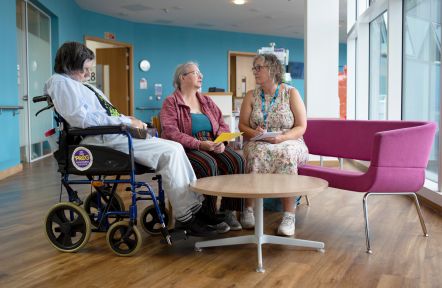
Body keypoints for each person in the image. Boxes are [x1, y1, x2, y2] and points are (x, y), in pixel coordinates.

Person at [44, 41, 215, 237]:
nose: (87, 73)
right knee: (169, 153)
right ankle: (187, 216)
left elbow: (105, 113)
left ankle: (196, 208)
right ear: (71, 64)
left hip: (112, 133)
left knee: (176, 147)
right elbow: (80, 119)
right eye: (85, 69)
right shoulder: (60, 83)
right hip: (101, 139)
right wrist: (125, 121)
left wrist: (128, 119)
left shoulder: (83, 86)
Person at [160, 61, 254, 232]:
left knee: (237, 160)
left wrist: (222, 142)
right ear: (183, 77)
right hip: (187, 147)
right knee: (208, 164)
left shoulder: (207, 101)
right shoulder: (171, 102)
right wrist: (199, 144)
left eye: (200, 72)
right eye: (195, 73)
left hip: (211, 142)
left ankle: (227, 211)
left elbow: (222, 124)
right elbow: (171, 132)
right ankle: (206, 214)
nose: (201, 76)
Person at [238, 53, 309, 236]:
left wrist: (282, 138)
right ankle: (249, 209)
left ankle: (288, 215)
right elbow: (242, 125)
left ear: (273, 69)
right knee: (255, 154)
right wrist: (256, 133)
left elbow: (301, 126)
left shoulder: (290, 93)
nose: (255, 71)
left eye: (258, 67)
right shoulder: (251, 96)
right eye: (254, 68)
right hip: (259, 141)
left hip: (289, 140)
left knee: (286, 153)